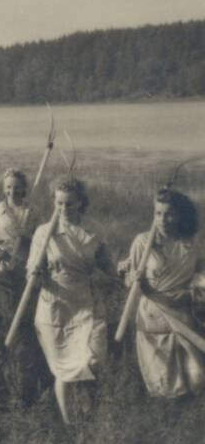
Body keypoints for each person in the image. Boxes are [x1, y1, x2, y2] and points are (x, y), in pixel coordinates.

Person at [27, 176, 114, 424]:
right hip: (54, 307)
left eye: (69, 204)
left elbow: (109, 269)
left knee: (92, 363)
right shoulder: (44, 233)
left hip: (87, 304)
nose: (64, 209)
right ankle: (70, 425)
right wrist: (39, 274)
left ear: (81, 203)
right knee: (63, 370)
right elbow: (31, 275)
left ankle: (89, 416)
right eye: (59, 204)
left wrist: (104, 276)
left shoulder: (94, 230)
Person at [118, 188, 205, 398]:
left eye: (169, 214)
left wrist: (192, 290)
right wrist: (133, 279)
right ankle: (166, 423)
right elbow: (129, 280)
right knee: (164, 387)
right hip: (153, 319)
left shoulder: (191, 243)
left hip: (183, 317)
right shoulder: (143, 242)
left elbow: (201, 274)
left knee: (197, 379)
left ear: (181, 215)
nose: (162, 219)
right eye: (158, 213)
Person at [0, 169, 46, 404]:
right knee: (6, 317)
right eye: (8, 186)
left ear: (24, 188)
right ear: (3, 188)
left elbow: (41, 240)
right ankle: (2, 364)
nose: (12, 191)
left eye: (17, 186)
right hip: (0, 273)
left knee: (24, 322)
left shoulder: (32, 212)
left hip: (24, 275)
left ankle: (25, 374)